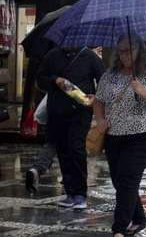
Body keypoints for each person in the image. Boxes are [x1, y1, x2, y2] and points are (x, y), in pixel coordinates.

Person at [92, 33, 146, 237]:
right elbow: (99, 100)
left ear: (139, 51)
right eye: (121, 51)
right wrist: (100, 120)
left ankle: (119, 229)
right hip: (114, 135)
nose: (125, 56)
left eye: (129, 51)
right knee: (120, 181)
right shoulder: (110, 74)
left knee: (127, 179)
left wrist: (143, 92)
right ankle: (139, 219)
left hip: (142, 136)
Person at [36, 46, 105, 209]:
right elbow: (40, 80)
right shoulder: (52, 55)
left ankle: (80, 193)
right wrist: (56, 80)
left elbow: (103, 81)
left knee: (76, 148)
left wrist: (95, 98)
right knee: (63, 150)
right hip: (57, 112)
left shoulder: (90, 57)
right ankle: (70, 193)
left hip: (80, 112)